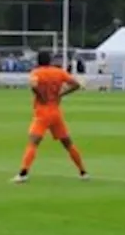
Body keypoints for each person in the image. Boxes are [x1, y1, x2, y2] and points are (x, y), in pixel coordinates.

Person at [14, 49, 89, 184]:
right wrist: (61, 94)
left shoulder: (37, 72)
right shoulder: (58, 72)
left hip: (42, 112)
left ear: (38, 61)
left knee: (33, 143)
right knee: (68, 143)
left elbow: (33, 84)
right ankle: (83, 171)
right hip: (55, 112)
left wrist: (39, 95)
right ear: (50, 60)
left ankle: (23, 173)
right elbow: (76, 84)